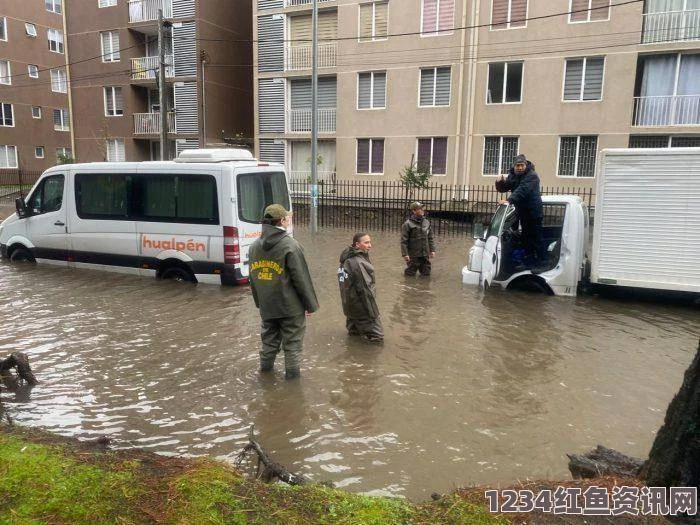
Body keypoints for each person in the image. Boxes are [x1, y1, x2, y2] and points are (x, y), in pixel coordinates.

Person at [249, 204, 319, 380]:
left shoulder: (254, 246)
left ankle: (265, 379)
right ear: (281, 221)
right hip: (290, 308)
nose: (289, 220)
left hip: (267, 306)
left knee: (268, 344)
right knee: (292, 346)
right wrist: (310, 305)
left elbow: (253, 279)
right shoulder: (291, 245)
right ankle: (293, 388)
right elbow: (301, 278)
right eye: (287, 218)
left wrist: (260, 303)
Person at [495, 154, 547, 272]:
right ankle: (528, 263)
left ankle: (543, 263)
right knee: (526, 239)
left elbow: (522, 190)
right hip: (523, 213)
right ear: (514, 166)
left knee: (536, 239)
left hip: (534, 213)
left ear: (525, 165)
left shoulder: (532, 176)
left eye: (521, 165)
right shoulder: (514, 175)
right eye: (517, 165)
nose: (519, 168)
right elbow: (504, 187)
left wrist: (509, 201)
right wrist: (500, 182)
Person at [337, 233, 383, 343]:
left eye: (370, 242)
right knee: (377, 337)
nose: (370, 245)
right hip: (361, 308)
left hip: (349, 305)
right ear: (357, 245)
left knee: (354, 334)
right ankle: (366, 359)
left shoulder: (346, 259)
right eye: (366, 242)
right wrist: (372, 313)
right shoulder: (357, 262)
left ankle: (352, 356)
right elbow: (365, 289)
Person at [400, 202, 436, 277]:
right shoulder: (407, 224)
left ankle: (424, 288)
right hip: (413, 255)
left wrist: (432, 250)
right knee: (410, 274)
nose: (422, 210)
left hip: (425, 254)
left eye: (422, 208)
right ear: (414, 211)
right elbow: (404, 241)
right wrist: (405, 254)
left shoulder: (426, 222)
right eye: (420, 209)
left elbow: (430, 237)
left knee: (426, 273)